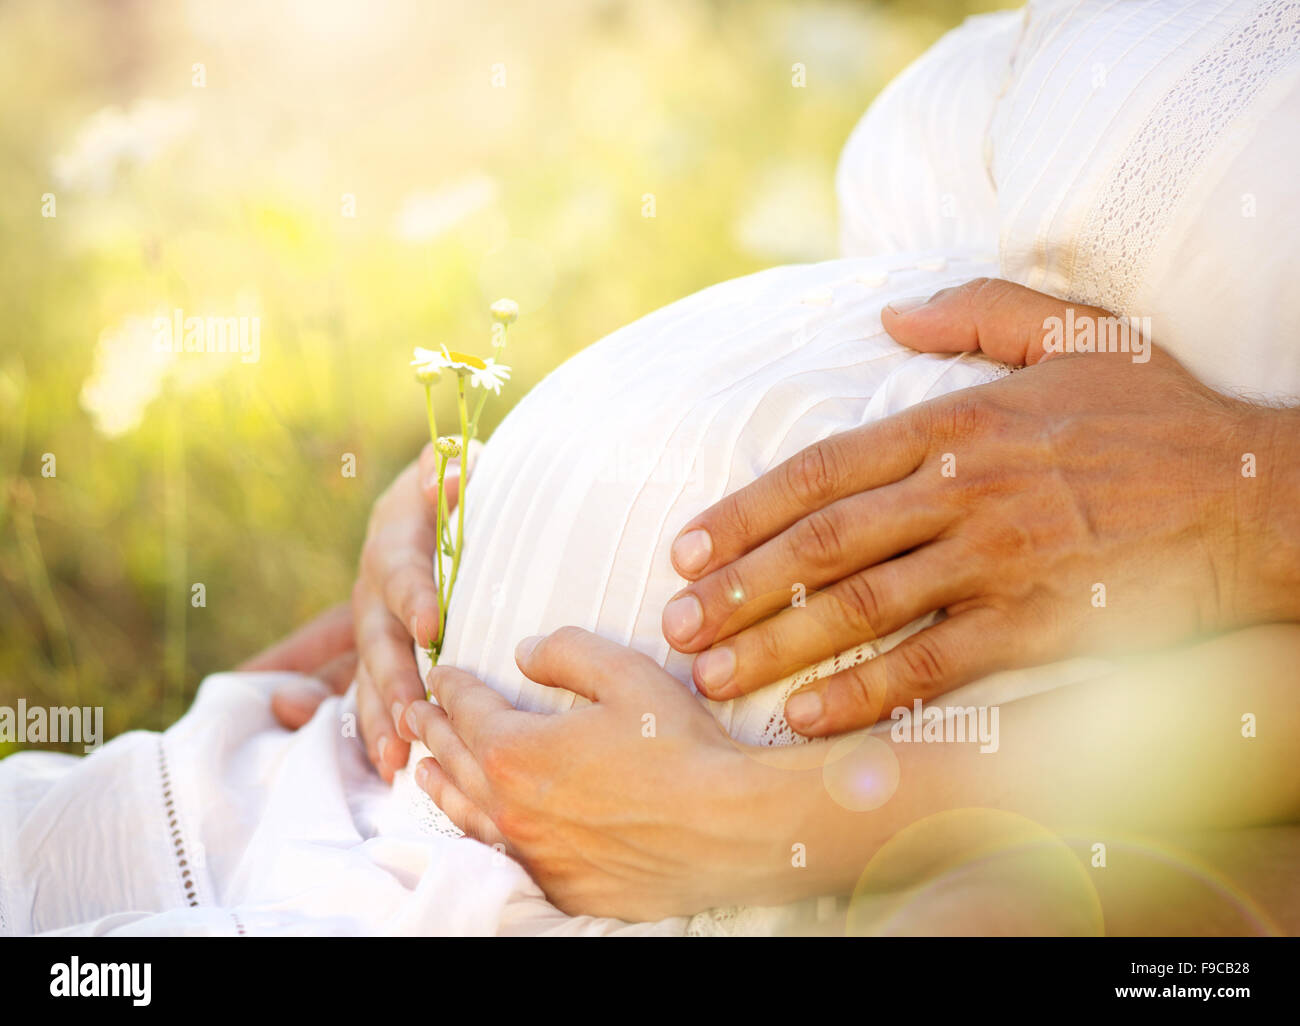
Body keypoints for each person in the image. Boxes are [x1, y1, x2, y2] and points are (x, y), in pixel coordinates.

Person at [3, 0, 1298, 936]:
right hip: (377, 784)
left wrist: (767, 818)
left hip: (678, 872)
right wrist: (494, 503)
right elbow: (894, 345)